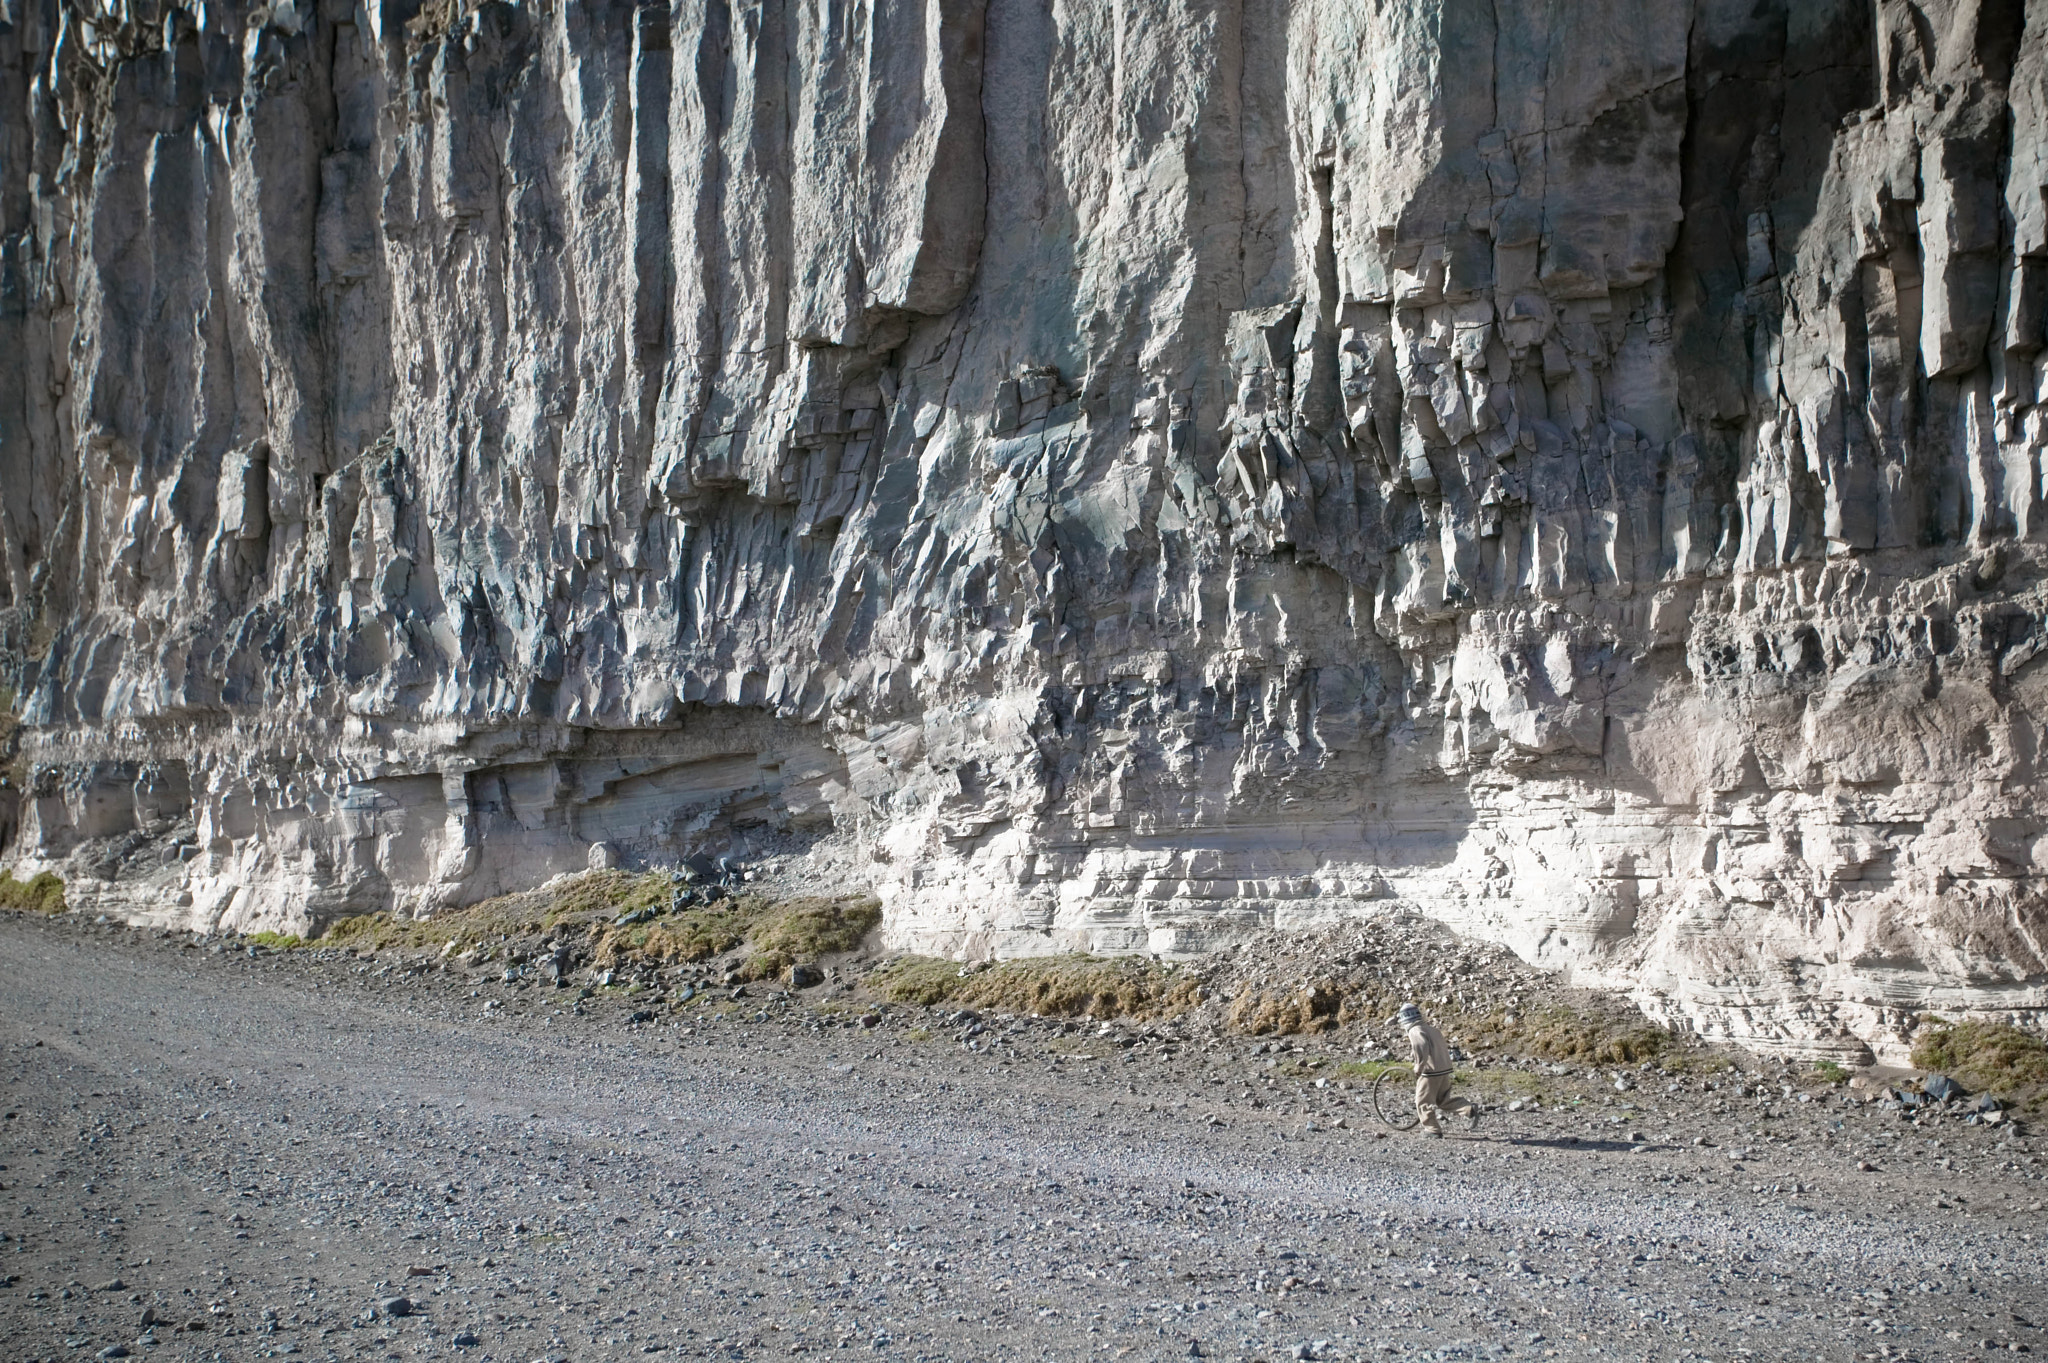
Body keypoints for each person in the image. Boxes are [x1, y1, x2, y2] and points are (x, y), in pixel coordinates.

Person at [1396, 1002, 1477, 1136]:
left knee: (1422, 1101)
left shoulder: (1415, 1030)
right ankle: (1468, 1109)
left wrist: (1419, 1066)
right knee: (1442, 1100)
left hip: (1430, 1072)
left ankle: (1432, 1129)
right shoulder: (1431, 1029)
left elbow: (1421, 1047)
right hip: (1444, 1068)